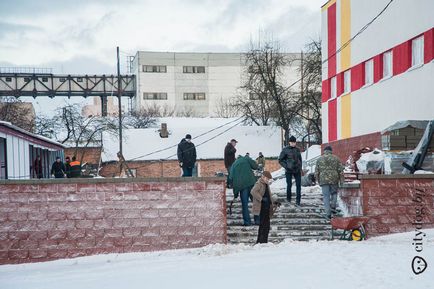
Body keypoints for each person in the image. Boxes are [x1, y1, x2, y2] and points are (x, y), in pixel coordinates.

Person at [251, 171, 280, 243]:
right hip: (261, 207)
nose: (268, 180)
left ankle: (264, 240)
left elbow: (268, 196)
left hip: (267, 207)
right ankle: (260, 241)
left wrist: (274, 202)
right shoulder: (259, 183)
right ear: (263, 177)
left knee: (266, 225)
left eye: (268, 179)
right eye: (267, 178)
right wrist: (261, 198)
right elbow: (253, 191)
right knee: (263, 225)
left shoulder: (266, 184)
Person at [315, 146, 344, 220]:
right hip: (334, 178)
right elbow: (340, 171)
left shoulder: (319, 159)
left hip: (323, 179)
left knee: (326, 196)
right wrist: (341, 181)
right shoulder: (336, 158)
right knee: (334, 193)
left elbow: (316, 171)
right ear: (331, 151)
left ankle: (328, 214)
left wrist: (318, 180)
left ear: (324, 151)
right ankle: (333, 207)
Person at [229, 154, 258, 226]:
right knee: (256, 202)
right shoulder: (246, 159)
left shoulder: (234, 164)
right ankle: (258, 220)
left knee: (244, 205)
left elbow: (230, 177)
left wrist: (235, 193)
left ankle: (247, 222)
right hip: (251, 183)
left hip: (242, 187)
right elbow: (255, 166)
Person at [278, 136, 302, 206]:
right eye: (292, 142)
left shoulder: (297, 150)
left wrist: (300, 168)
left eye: (294, 142)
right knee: (289, 185)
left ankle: (298, 201)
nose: (293, 144)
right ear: (289, 142)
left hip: (297, 170)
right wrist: (286, 166)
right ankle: (288, 199)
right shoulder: (285, 150)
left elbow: (300, 159)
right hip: (288, 170)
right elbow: (280, 160)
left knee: (298, 185)